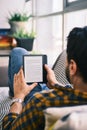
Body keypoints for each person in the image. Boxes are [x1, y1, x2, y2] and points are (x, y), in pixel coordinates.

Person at [2, 26, 87, 130]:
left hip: (32, 98)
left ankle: (14, 92)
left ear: (72, 67)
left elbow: (9, 128)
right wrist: (55, 84)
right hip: (57, 90)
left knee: (18, 52)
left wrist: (18, 97)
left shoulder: (41, 103)